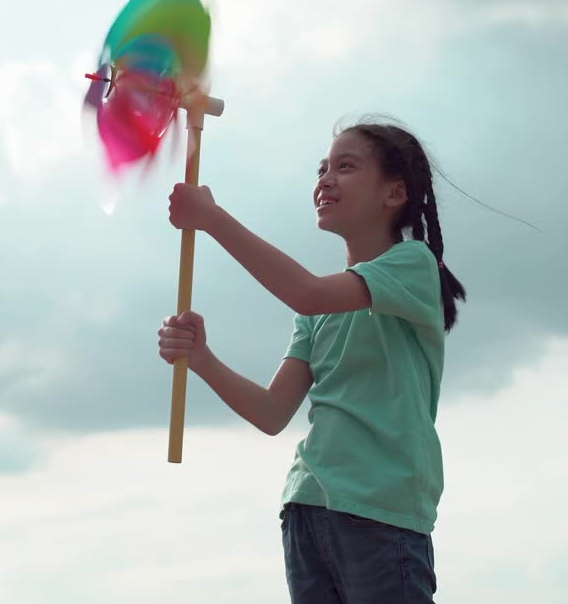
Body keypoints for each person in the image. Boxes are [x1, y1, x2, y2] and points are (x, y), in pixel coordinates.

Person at [158, 113, 466, 603]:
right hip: (307, 507)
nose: (325, 179)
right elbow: (272, 413)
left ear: (395, 193)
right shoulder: (319, 309)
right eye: (322, 168)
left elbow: (306, 292)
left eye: (345, 166)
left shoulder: (413, 265)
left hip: (381, 511)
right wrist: (202, 358)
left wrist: (212, 219)